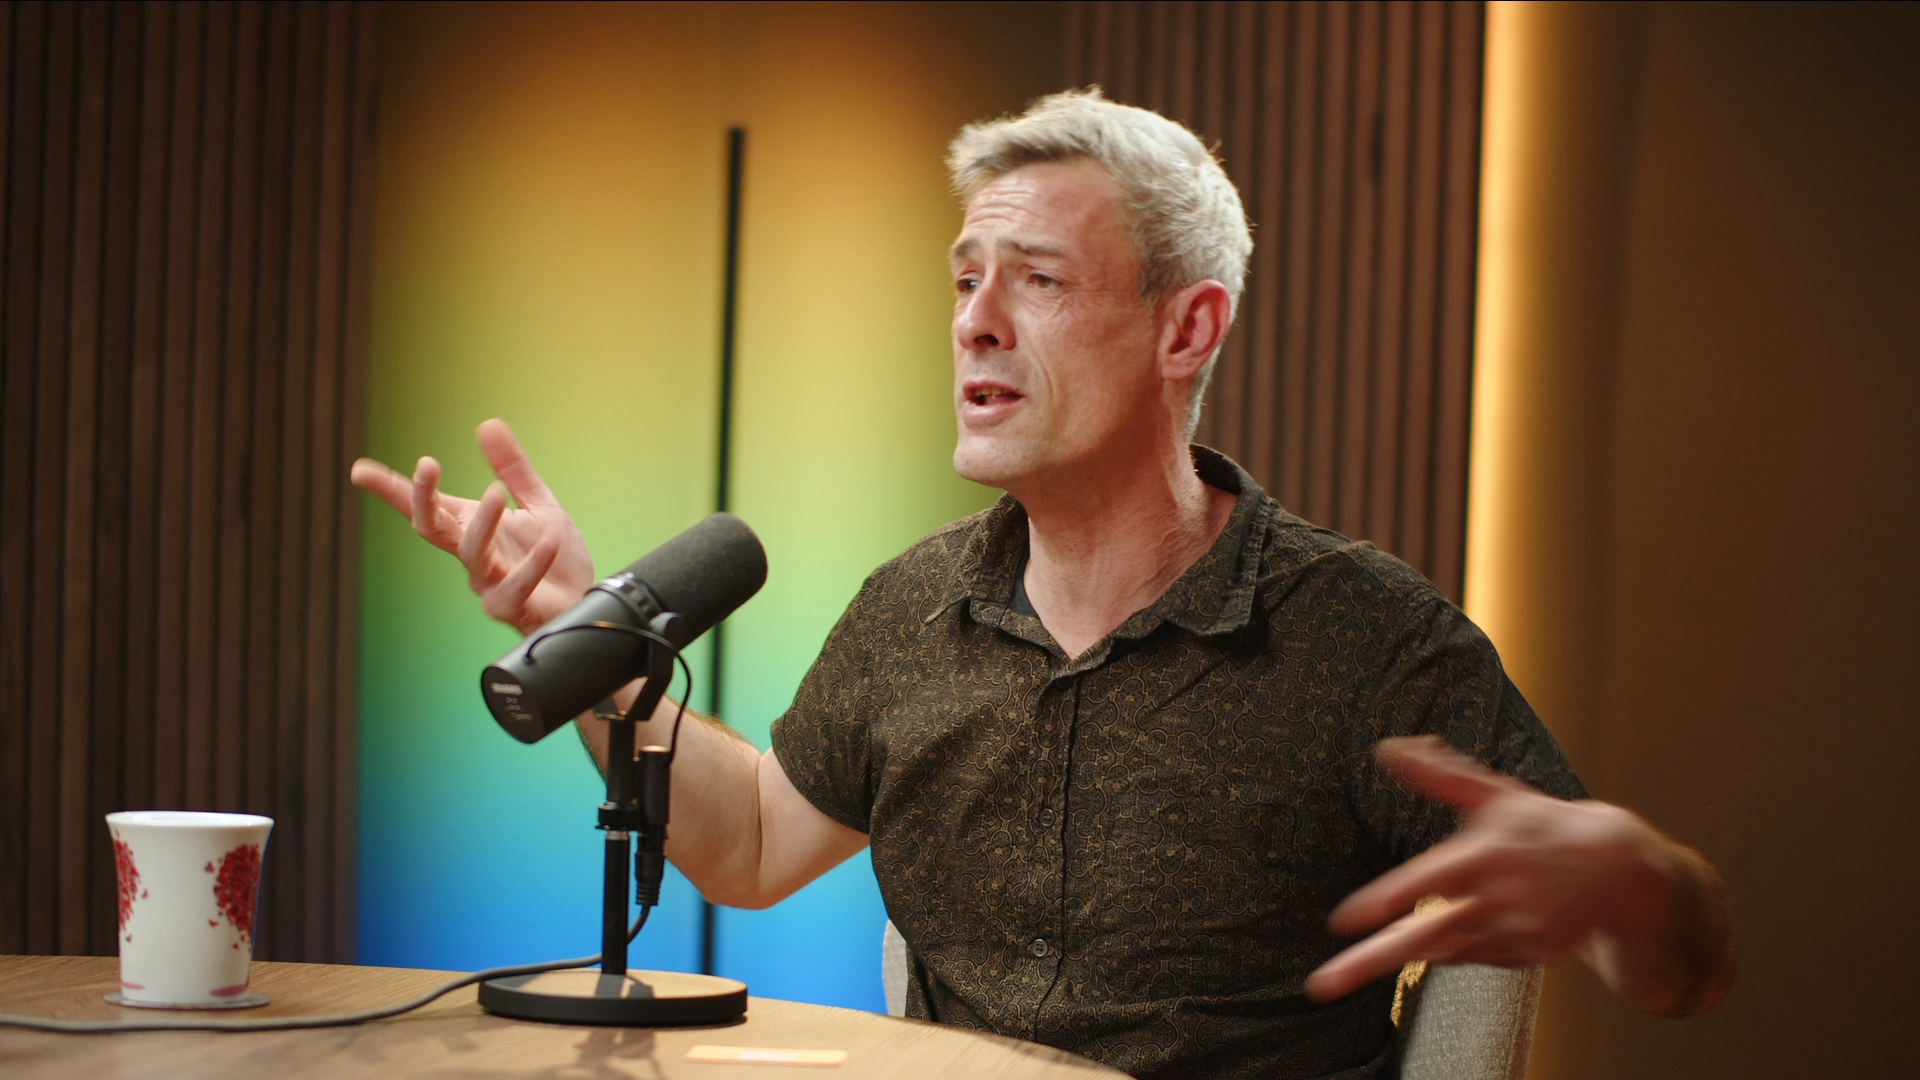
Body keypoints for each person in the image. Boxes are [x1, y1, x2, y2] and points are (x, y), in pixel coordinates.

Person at [352, 90, 1733, 1079]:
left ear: (1187, 327)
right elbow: (757, 844)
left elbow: (1678, 967)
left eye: (1038, 279)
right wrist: (586, 632)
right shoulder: (912, 609)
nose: (974, 320)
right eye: (963, 280)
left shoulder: (1369, 638)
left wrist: (1639, 882)